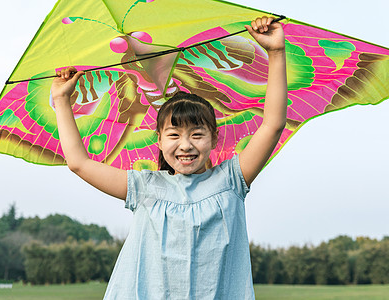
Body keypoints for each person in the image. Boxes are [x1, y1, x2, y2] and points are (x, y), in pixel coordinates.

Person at [51, 16, 287, 300]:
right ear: (160, 141)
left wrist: (275, 53)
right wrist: (63, 101)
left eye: (197, 135)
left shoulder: (232, 180)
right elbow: (79, 163)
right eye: (174, 135)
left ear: (213, 138)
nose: (185, 145)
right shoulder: (144, 187)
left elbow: (272, 124)